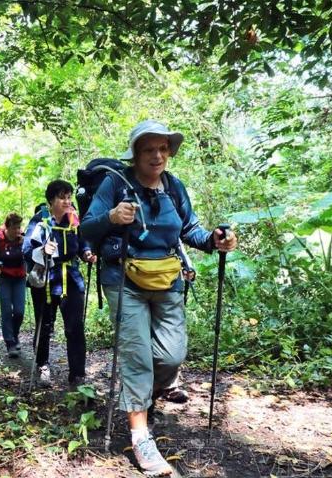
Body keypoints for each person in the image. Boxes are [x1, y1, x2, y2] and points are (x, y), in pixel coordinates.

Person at [80, 119, 238, 477]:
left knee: (171, 355)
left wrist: (215, 240)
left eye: (163, 148)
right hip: (124, 278)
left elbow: (189, 229)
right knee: (136, 356)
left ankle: (144, 399)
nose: (157, 155)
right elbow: (87, 228)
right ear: (135, 155)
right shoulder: (114, 185)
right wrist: (110, 216)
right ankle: (140, 435)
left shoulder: (174, 187)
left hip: (168, 278)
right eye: (149, 149)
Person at [24, 180, 97, 389]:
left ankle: (77, 374)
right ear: (51, 200)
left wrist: (87, 253)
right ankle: (42, 366)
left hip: (71, 279)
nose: (67, 201)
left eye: (68, 196)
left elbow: (84, 242)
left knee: (75, 326)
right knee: (44, 325)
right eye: (62, 197)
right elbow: (27, 249)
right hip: (46, 279)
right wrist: (42, 250)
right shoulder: (40, 221)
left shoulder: (74, 219)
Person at [0, 213, 27, 358]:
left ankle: (15, 335)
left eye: (19, 227)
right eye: (15, 228)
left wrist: (25, 244)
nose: (17, 231)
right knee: (7, 310)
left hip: (20, 278)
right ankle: (10, 343)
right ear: (7, 227)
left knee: (20, 311)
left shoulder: (23, 239)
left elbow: (32, 255)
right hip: (4, 279)